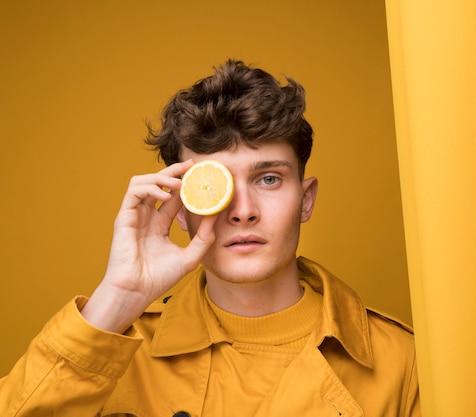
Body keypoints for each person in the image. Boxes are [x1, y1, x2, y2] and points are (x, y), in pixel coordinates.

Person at [0, 60, 420, 416]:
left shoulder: (402, 360)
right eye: (212, 183)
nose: (242, 210)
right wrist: (116, 298)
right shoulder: (117, 347)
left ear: (305, 200)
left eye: (269, 178)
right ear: (180, 208)